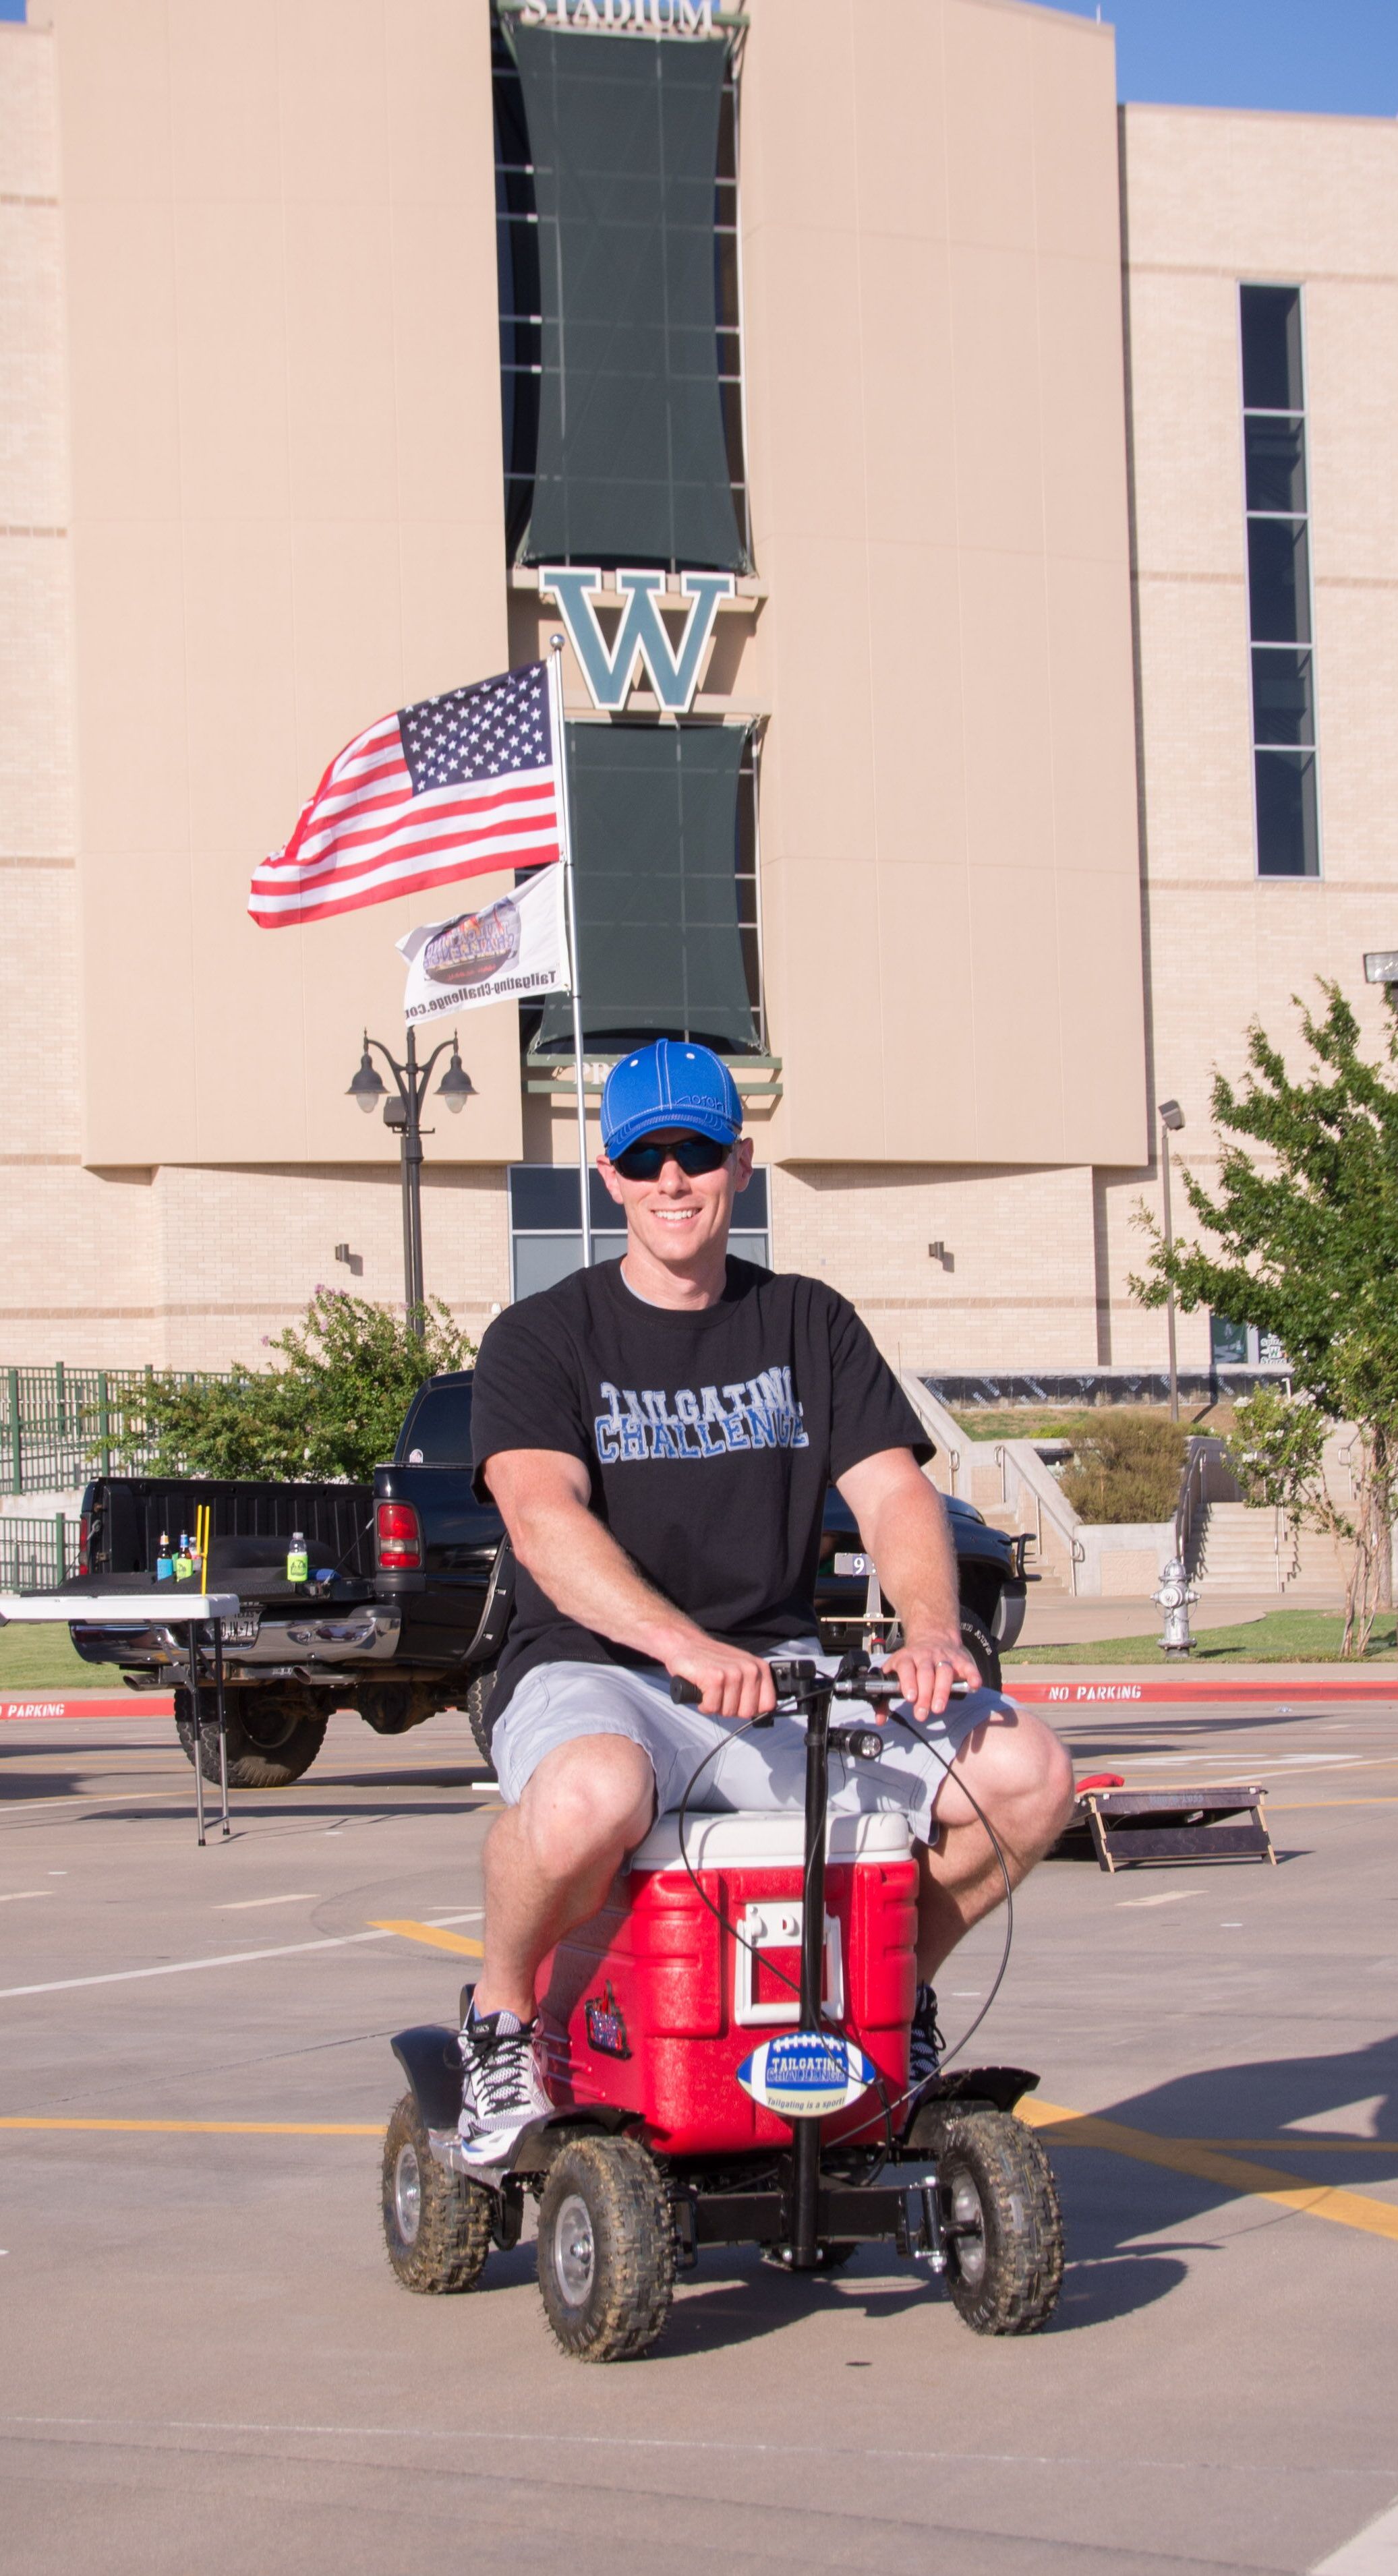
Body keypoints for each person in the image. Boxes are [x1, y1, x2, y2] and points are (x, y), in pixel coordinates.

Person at [459, 1039, 1074, 2158]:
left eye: (695, 1151)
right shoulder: (543, 1336)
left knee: (1026, 1772)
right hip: (598, 1671)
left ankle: (892, 2001)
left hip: (778, 1677)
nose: (671, 1180)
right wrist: (679, 1644)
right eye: (645, 1157)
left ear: (740, 1163)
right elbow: (542, 1517)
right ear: (608, 1174)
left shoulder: (807, 1321)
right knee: (591, 1794)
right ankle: (499, 2025)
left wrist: (932, 1627)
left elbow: (894, 1494)